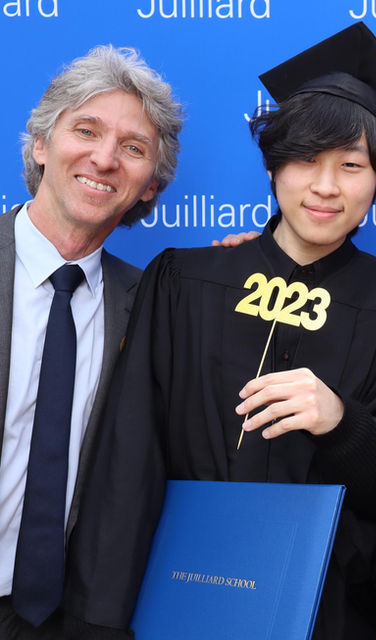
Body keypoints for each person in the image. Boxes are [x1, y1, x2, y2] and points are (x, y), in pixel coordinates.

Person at [63, 23, 376, 639]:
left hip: (324, 612)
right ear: (273, 167)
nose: (325, 187)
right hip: (175, 597)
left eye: (350, 166)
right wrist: (98, 621)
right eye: (305, 161)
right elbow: (127, 460)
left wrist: (342, 423)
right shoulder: (186, 280)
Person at [0, 45, 183, 639]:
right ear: (40, 145)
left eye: (133, 148)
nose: (104, 159)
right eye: (86, 130)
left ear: (150, 186)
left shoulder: (154, 307)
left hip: (67, 619)